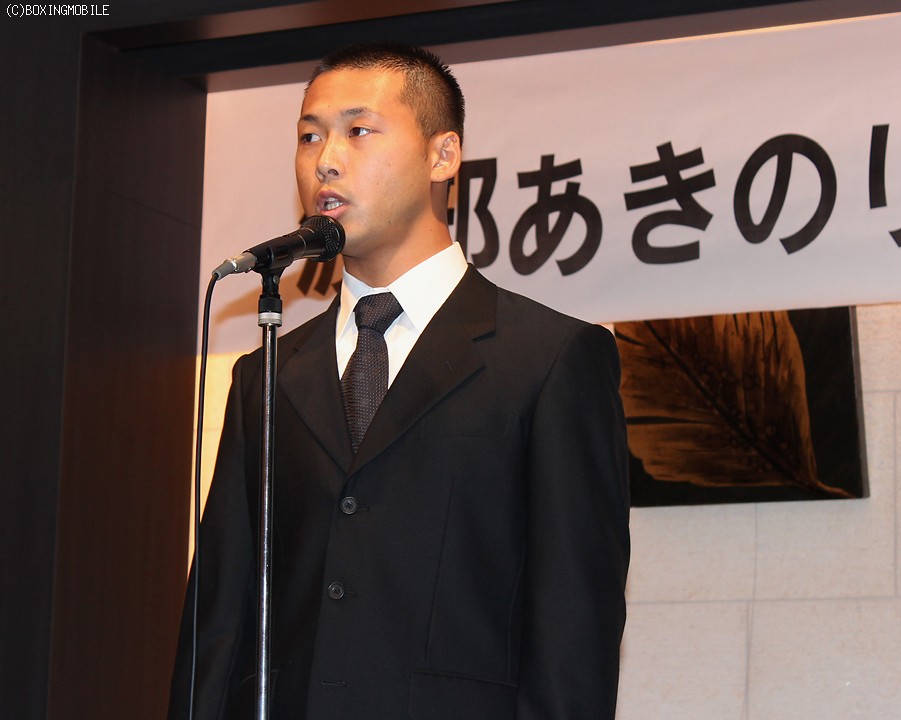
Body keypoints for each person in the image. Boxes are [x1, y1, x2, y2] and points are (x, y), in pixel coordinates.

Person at [169, 43, 630, 720]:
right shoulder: (266, 372)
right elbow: (218, 624)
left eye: (359, 130)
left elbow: (573, 634)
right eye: (309, 136)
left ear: (443, 156)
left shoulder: (551, 360)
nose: (326, 160)